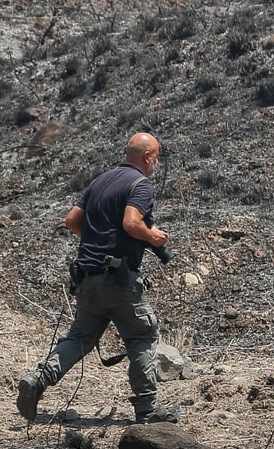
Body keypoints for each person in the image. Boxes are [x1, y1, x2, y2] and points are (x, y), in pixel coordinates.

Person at [17, 132, 181, 424]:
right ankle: (147, 410)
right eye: (156, 157)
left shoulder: (99, 182)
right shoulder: (140, 185)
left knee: (80, 338)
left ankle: (37, 381)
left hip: (88, 277)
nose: (157, 162)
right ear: (147, 157)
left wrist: (99, 243)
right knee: (142, 336)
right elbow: (132, 223)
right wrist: (152, 236)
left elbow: (71, 221)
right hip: (118, 280)